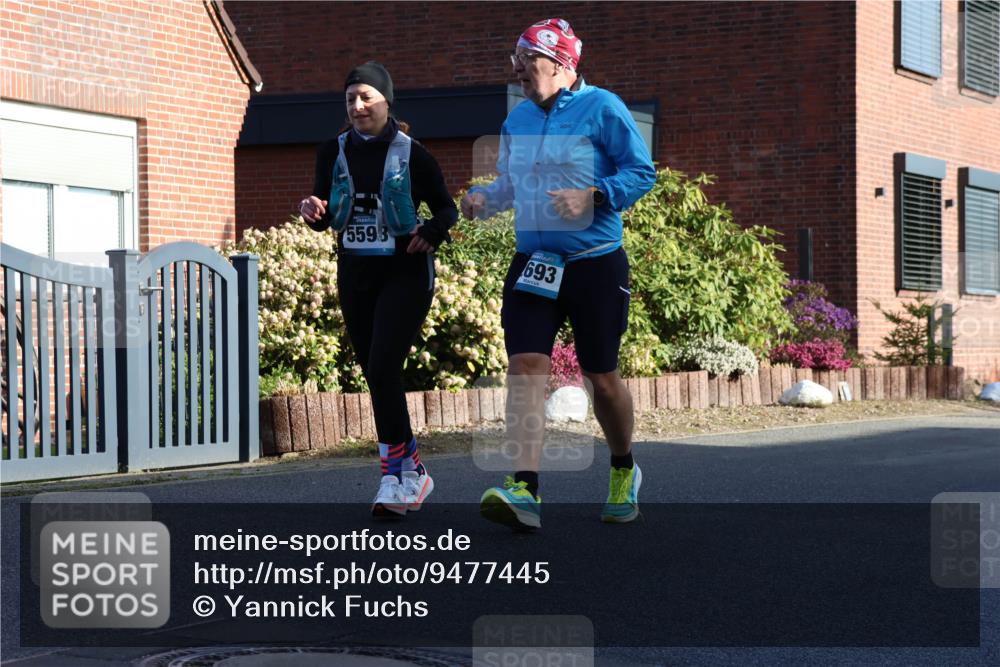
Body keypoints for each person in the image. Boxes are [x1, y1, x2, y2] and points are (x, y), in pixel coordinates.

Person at [460, 19, 656, 530]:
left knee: (600, 376)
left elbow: (641, 172)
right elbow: (511, 183)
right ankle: (525, 489)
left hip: (594, 263)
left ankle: (622, 467)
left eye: (527, 58)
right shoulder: (518, 120)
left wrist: (593, 196)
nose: (517, 69)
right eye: (515, 58)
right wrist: (486, 198)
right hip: (534, 265)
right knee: (526, 366)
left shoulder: (604, 108)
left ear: (562, 63)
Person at [299, 62, 457, 517]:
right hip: (355, 273)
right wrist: (313, 210)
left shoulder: (414, 154)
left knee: (385, 364)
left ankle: (394, 478)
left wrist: (432, 231)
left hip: (405, 273)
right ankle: (414, 473)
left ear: (388, 101)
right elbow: (327, 215)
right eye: (350, 98)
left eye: (366, 96)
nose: (357, 105)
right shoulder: (331, 151)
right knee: (376, 372)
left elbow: (446, 211)